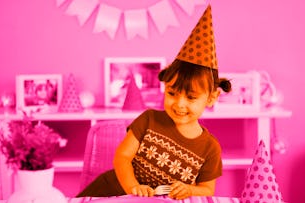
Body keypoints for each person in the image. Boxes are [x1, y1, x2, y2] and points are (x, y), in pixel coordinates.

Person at [77, 5, 231, 200]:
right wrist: (134, 187)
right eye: (172, 93)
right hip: (112, 193)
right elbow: (122, 157)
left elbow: (207, 190)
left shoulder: (210, 148)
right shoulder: (149, 119)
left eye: (191, 97)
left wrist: (189, 189)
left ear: (211, 98)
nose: (179, 104)